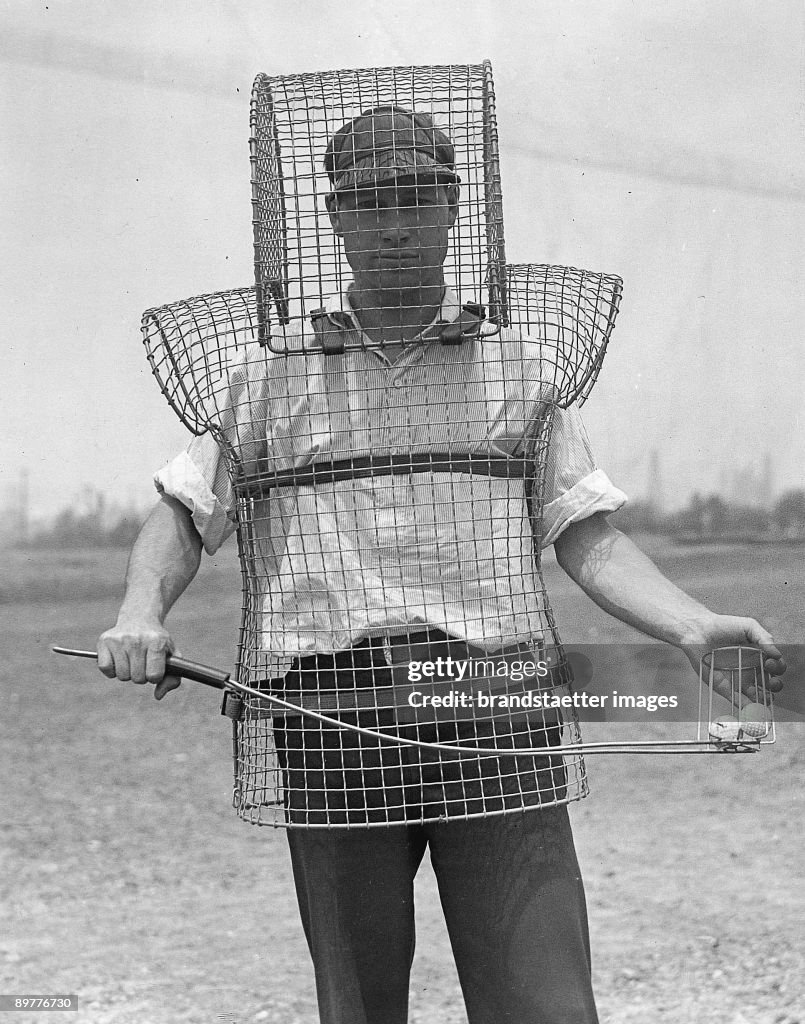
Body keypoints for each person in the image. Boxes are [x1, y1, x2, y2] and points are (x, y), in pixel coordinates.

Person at [98, 107, 786, 1024]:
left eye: (415, 198)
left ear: (455, 205)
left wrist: (692, 625)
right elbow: (183, 514)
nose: (392, 225)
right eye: (368, 202)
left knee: (543, 1007)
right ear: (332, 217)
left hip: (492, 710)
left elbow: (586, 533)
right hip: (327, 714)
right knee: (360, 1008)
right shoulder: (267, 372)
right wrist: (141, 608)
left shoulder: (520, 365)